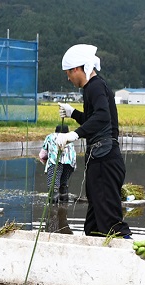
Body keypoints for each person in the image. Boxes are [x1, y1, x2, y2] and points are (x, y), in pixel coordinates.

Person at [55, 44, 131, 239]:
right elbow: (94, 120)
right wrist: (74, 113)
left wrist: (74, 135)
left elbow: (102, 117)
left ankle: (129, 257)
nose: (68, 78)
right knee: (94, 223)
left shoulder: (95, 86)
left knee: (109, 219)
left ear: (77, 69)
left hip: (104, 160)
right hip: (100, 159)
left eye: (68, 73)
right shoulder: (93, 87)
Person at [38, 123, 77, 203]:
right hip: (69, 164)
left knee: (53, 185)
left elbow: (42, 155)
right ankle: (64, 204)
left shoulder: (50, 137)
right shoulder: (70, 137)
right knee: (63, 183)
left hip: (55, 162)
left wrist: (45, 161)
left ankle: (53, 209)